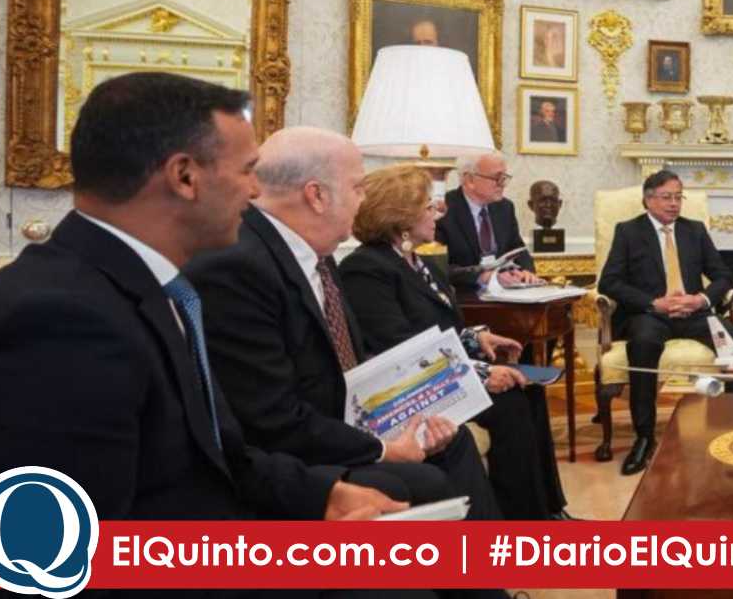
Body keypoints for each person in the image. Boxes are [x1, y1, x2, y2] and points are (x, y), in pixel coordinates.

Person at [0, 71, 402, 522]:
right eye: (246, 170)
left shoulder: (154, 286)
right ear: (184, 177)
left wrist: (321, 496)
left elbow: (214, 453)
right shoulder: (55, 321)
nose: (255, 191)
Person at [186, 127, 501, 520]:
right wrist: (383, 448)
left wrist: (406, 414)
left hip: (338, 424)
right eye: (357, 187)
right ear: (316, 195)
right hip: (288, 457)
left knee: (453, 443)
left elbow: (350, 363)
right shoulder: (237, 266)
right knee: (421, 482)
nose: (364, 199)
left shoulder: (316, 253)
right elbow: (270, 420)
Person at [339, 164, 574, 521]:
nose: (438, 213)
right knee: (510, 404)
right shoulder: (366, 269)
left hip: (443, 377)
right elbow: (401, 350)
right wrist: (482, 373)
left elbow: (440, 330)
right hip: (416, 391)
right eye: (428, 207)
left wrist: (477, 337)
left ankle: (548, 510)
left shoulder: (421, 263)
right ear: (401, 217)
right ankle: (522, 521)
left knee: (529, 391)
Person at [598, 170, 733, 474]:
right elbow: (609, 282)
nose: (674, 204)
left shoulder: (694, 230)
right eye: (667, 197)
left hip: (693, 313)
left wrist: (700, 299)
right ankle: (644, 437)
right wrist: (654, 303)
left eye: (678, 197)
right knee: (643, 343)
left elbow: (722, 275)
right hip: (650, 314)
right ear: (648, 200)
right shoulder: (628, 231)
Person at [436, 151, 536, 294]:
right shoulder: (442, 210)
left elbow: (517, 248)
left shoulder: (504, 207)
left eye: (504, 178)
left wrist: (527, 272)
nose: (503, 184)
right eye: (497, 178)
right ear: (469, 180)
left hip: (505, 293)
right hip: (462, 296)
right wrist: (485, 277)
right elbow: (438, 267)